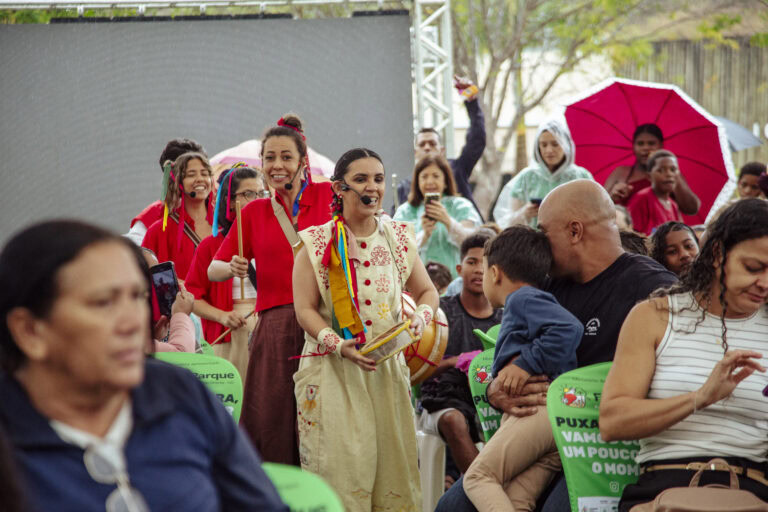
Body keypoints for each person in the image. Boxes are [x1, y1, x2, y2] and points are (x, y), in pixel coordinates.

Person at [0, 220, 287, 512]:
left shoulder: (182, 395)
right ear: (30, 331)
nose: (133, 322)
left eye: (137, 296)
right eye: (103, 303)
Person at [435, 180, 678, 512]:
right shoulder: (544, 285)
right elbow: (509, 352)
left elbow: (674, 380)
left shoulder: (654, 288)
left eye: (543, 231)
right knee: (454, 506)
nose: (538, 243)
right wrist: (498, 388)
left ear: (574, 231)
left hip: (607, 446)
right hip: (542, 434)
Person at [292, 148, 438, 511]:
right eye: (360, 180)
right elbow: (305, 310)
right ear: (339, 189)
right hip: (333, 370)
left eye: (377, 179)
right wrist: (339, 345)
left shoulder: (399, 238)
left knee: (395, 474)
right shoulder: (315, 241)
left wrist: (421, 317)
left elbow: (428, 291)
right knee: (339, 472)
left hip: (385, 371)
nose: (371, 187)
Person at [599, 198, 768, 511]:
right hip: (665, 487)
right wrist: (700, 397)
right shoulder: (656, 316)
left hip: (754, 491)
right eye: (754, 268)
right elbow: (612, 422)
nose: (765, 283)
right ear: (717, 254)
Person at [208, 114, 333, 465]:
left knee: (327, 417)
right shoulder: (253, 212)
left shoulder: (329, 196)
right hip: (276, 327)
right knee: (274, 423)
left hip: (328, 325)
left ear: (301, 161)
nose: (277, 165)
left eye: (286, 157)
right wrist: (231, 266)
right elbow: (213, 269)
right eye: (269, 158)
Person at [463, 226, 582, 512]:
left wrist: (526, 363)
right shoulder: (529, 300)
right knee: (516, 501)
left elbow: (569, 328)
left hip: (538, 414)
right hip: (553, 421)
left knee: (478, 477)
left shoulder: (522, 299)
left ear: (495, 273)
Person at [419, 230, 503, 483]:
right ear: (459, 268)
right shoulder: (440, 312)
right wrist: (451, 362)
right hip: (440, 401)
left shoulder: (505, 317)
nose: (479, 270)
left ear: (496, 271)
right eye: (472, 262)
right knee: (454, 420)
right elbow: (415, 374)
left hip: (490, 402)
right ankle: (484, 486)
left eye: (485, 263)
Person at [185, 166, 266, 379]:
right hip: (228, 335)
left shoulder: (271, 241)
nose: (257, 200)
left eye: (261, 193)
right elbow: (193, 297)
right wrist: (222, 316)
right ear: (230, 201)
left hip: (267, 329)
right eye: (249, 194)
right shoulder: (210, 247)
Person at [397, 76, 486, 217]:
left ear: (442, 151)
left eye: (432, 144)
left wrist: (471, 99)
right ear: (415, 152)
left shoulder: (456, 169)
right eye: (422, 144)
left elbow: (477, 140)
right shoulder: (405, 186)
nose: (427, 147)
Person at [493, 118, 593, 229]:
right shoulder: (526, 177)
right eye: (543, 145)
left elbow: (594, 214)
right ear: (537, 147)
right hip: (534, 244)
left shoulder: (581, 177)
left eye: (555, 144)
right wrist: (524, 213)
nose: (549, 150)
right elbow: (507, 221)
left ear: (566, 145)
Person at [394, 155, 482, 278]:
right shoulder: (405, 211)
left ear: (445, 181)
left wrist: (448, 222)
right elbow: (396, 251)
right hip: (418, 285)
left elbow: (474, 244)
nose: (430, 182)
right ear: (417, 182)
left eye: (436, 176)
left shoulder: (462, 206)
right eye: (424, 177)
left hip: (456, 283)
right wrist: (424, 235)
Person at [142, 151, 214, 280]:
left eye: (205, 174)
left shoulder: (227, 225)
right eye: (191, 175)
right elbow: (148, 279)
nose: (200, 179)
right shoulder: (159, 232)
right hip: (186, 300)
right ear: (178, 182)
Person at [603, 123, 700, 215]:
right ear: (633, 146)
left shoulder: (671, 173)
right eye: (640, 144)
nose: (646, 148)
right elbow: (600, 206)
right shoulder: (621, 172)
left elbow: (692, 209)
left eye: (651, 143)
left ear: (661, 146)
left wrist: (668, 168)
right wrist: (612, 197)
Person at [126, 138, 206, 245]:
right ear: (172, 177)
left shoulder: (221, 215)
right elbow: (135, 256)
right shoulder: (151, 218)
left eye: (204, 171)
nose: (200, 179)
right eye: (191, 173)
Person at [627, 149, 683, 235]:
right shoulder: (641, 199)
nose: (669, 174)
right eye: (661, 170)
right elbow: (632, 235)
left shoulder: (673, 206)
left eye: (673, 169)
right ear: (649, 176)